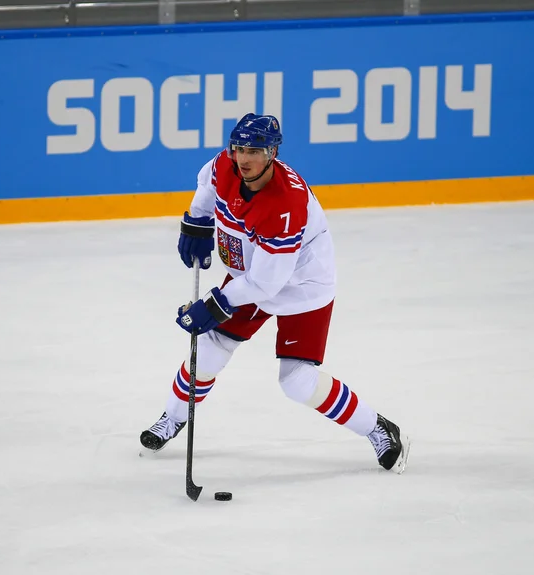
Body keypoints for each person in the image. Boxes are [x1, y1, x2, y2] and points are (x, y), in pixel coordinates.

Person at [141, 113, 410, 473]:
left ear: (272, 153)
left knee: (298, 382)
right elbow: (208, 185)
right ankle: (172, 418)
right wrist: (198, 223)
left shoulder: (284, 204)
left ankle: (378, 428)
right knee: (207, 351)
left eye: (254, 150)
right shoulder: (227, 164)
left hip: (301, 286)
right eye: (239, 148)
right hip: (251, 274)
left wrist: (214, 304)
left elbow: (266, 284)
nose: (244, 158)